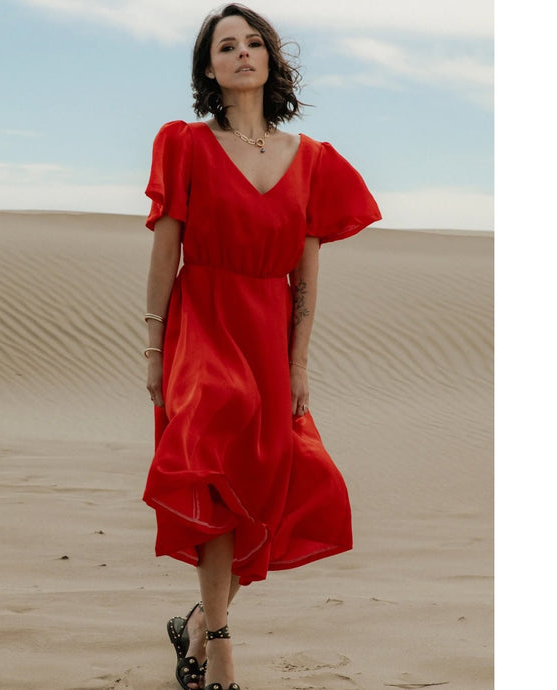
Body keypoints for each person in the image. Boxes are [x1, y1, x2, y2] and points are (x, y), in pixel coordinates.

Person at [142, 4, 381, 689]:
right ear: (209, 69)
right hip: (203, 320)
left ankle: (195, 622)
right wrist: (154, 352)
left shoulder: (312, 161)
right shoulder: (184, 144)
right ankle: (219, 645)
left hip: (267, 328)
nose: (242, 53)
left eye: (254, 43)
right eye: (226, 46)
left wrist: (298, 361)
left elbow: (306, 275)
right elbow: (165, 254)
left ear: (271, 61)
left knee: (264, 480)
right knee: (214, 440)